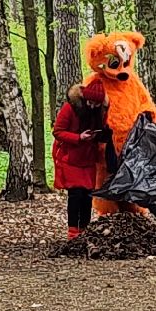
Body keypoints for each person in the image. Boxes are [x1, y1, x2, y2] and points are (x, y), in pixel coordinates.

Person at [52, 82, 111, 239]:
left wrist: (100, 135)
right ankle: (73, 231)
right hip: (70, 157)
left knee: (87, 196)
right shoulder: (70, 107)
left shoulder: (101, 110)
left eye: (96, 104)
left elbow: (103, 127)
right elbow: (57, 132)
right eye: (90, 102)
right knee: (76, 194)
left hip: (88, 158)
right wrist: (78, 137)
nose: (92, 106)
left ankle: (84, 229)